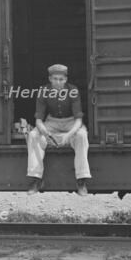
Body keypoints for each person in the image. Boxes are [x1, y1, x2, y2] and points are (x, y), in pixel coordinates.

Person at [26, 64, 91, 196]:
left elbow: (79, 119)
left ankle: (81, 180)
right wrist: (45, 132)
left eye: (61, 79)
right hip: (51, 122)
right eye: (55, 79)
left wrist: (68, 135)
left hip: (71, 121)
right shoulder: (43, 90)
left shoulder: (73, 90)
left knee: (82, 136)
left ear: (65, 79)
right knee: (33, 135)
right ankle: (36, 179)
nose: (58, 82)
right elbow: (38, 120)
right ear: (50, 78)